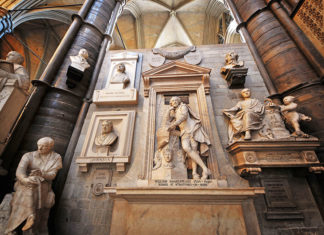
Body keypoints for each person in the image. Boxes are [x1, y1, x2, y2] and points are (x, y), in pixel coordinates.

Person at [5, 137, 62, 234]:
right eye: (39, 145)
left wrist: (41, 174)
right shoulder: (29, 155)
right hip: (22, 183)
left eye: (44, 146)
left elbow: (52, 175)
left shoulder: (56, 157)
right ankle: (31, 215)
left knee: (35, 182)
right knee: (32, 182)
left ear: (50, 147)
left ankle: (14, 227)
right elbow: (20, 171)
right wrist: (25, 179)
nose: (40, 148)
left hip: (44, 185)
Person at [167, 96, 211, 180]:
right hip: (184, 132)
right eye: (172, 101)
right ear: (171, 103)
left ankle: (195, 173)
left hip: (192, 129)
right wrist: (169, 110)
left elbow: (184, 116)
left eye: (176, 100)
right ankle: (205, 169)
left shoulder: (183, 106)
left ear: (179, 101)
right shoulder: (174, 111)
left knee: (194, 150)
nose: (175, 101)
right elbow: (167, 119)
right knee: (186, 148)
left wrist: (174, 124)